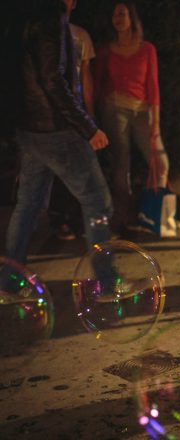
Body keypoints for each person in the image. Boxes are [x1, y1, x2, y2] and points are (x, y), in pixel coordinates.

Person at [5, 0, 112, 265]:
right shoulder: (50, 17)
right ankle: (106, 282)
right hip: (56, 128)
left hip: (30, 128)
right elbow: (53, 79)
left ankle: (9, 279)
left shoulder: (24, 15)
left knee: (28, 205)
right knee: (97, 201)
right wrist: (87, 127)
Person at [94, 0, 169, 236]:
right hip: (115, 110)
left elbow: (153, 87)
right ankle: (122, 220)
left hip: (142, 111)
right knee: (121, 166)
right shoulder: (106, 51)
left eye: (122, 13)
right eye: (115, 14)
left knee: (160, 161)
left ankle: (159, 215)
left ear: (132, 18)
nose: (118, 17)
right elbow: (97, 84)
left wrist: (155, 122)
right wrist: (92, 118)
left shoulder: (147, 49)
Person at [48, 0, 97, 240]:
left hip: (77, 112)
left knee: (80, 167)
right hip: (54, 114)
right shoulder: (44, 33)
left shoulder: (81, 36)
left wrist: (90, 114)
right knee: (58, 169)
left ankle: (77, 219)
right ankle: (58, 219)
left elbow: (85, 75)